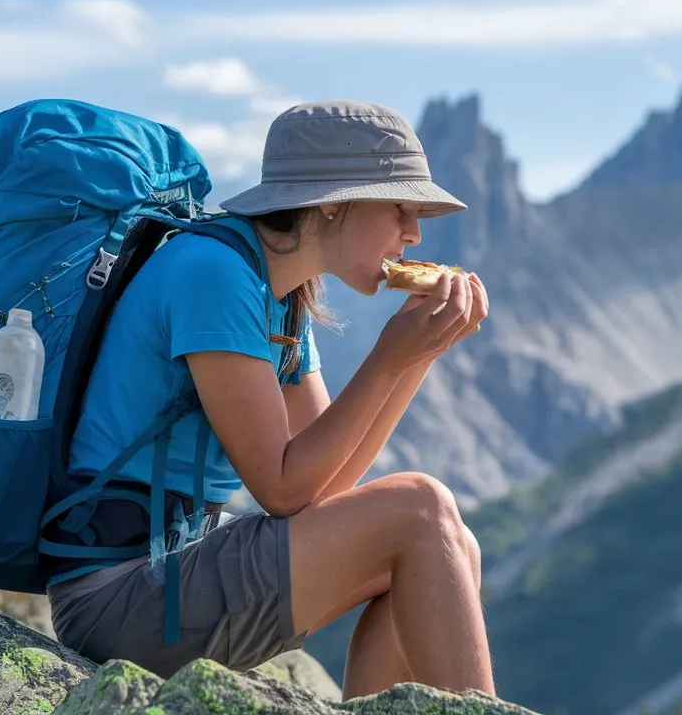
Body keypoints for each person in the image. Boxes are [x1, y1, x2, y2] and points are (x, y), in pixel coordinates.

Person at [43, 99, 495, 699]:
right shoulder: (213, 273)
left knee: (450, 542)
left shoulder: (281, 296)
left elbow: (324, 492)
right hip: (121, 597)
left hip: (165, 582)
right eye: (402, 207)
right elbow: (281, 488)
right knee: (421, 509)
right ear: (335, 202)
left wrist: (414, 357)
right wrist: (391, 356)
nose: (414, 234)